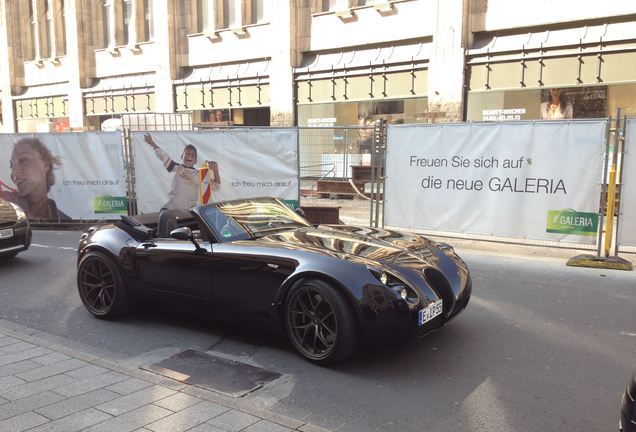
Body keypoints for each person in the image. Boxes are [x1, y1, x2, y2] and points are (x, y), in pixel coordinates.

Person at [144, 133, 221, 210]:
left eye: (193, 155)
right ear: (182, 157)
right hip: (172, 209)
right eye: (187, 154)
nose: (189, 156)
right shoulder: (177, 167)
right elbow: (163, 156)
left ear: (195, 161)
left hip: (189, 212)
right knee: (164, 216)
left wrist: (215, 171)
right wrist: (152, 143)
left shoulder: (200, 175)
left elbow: (216, 187)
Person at [0, 137, 70, 221]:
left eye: (23, 161)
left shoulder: (66, 221)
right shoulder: (6, 207)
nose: (13, 172)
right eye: (12, 165)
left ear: (46, 164)